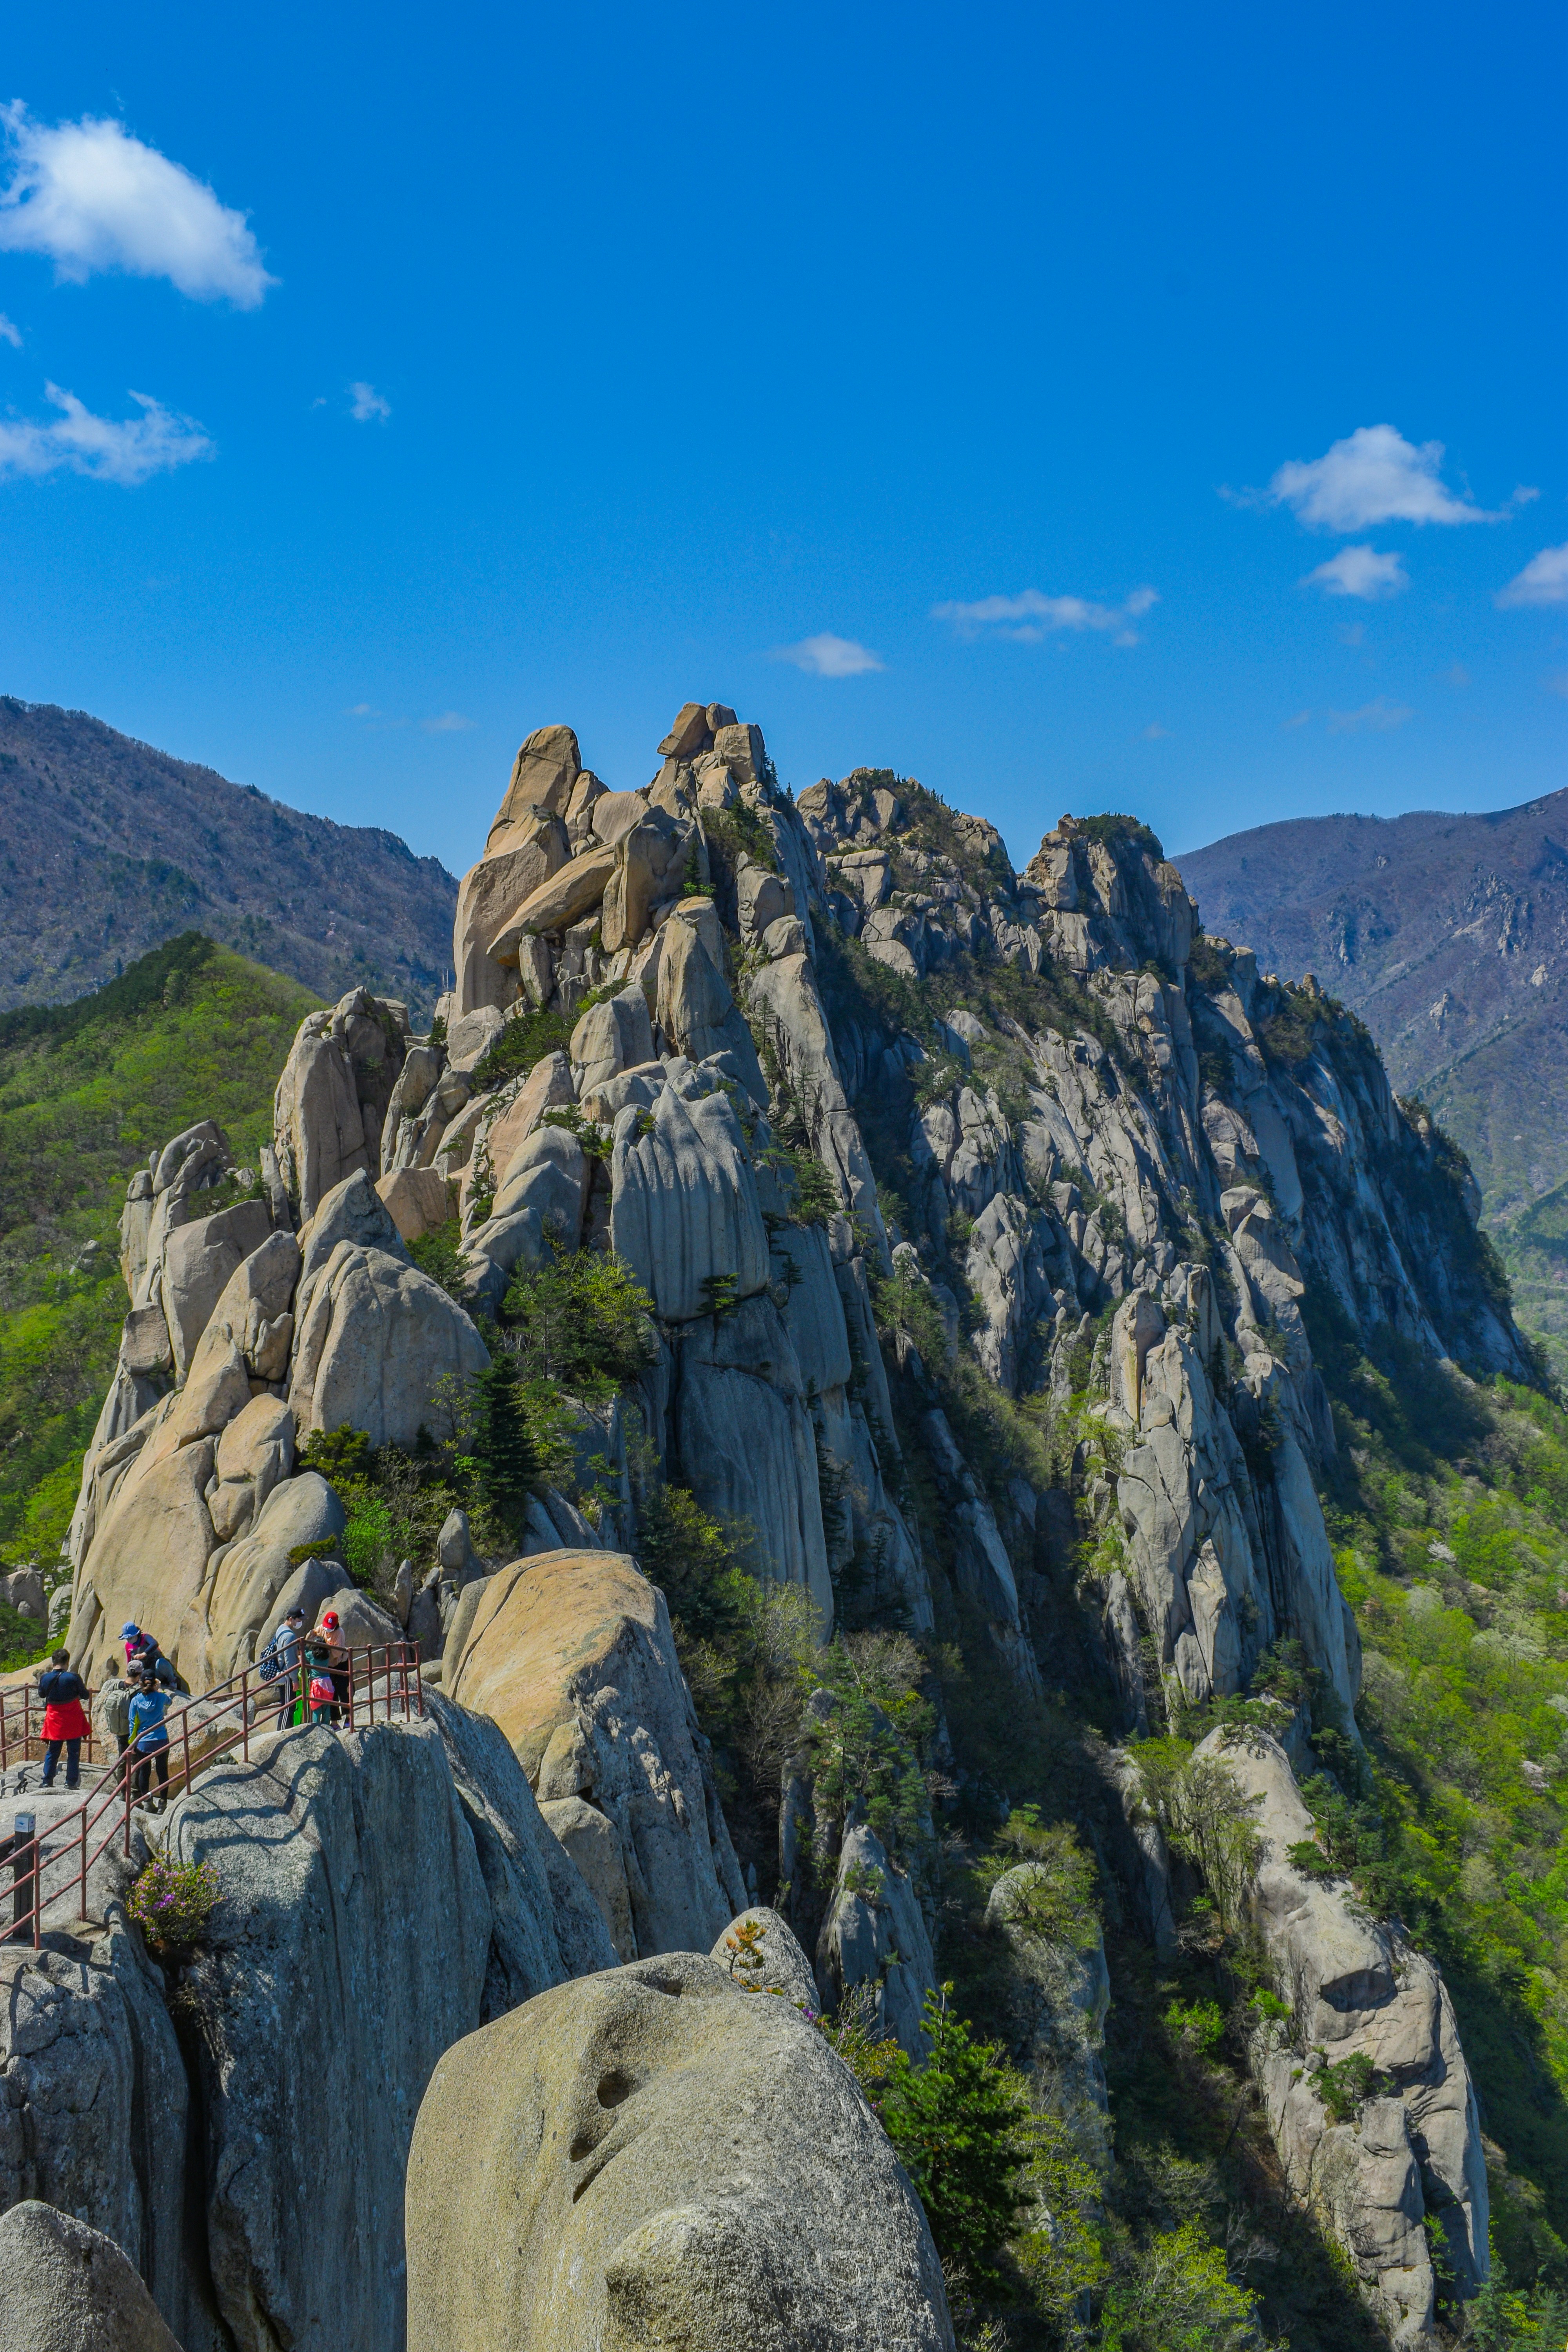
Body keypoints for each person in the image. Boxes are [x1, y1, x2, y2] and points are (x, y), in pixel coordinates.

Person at [36, 1649, 89, 1791]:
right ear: (67, 1662)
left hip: (55, 1719)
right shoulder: (74, 1677)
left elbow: (42, 1695)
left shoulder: (45, 1678)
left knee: (53, 1751)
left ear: (53, 1662)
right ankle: (70, 1783)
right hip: (73, 1718)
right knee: (74, 1752)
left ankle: (47, 1781)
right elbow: (86, 1695)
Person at [127, 1664, 172, 1811]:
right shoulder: (161, 1697)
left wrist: (132, 1743)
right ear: (155, 1682)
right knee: (162, 1771)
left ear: (140, 1683)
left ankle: (147, 1802)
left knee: (144, 1773)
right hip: (161, 1739)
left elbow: (132, 1723)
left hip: (143, 1741)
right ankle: (163, 1803)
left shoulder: (136, 1701)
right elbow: (170, 1702)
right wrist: (158, 1689)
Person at [260, 1606, 307, 1728]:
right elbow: (290, 1659)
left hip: (283, 1673)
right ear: (291, 1619)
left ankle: (285, 1731)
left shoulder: (281, 1630)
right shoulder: (290, 1636)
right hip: (287, 1676)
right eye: (298, 1620)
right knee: (288, 1707)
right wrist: (295, 1680)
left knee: (288, 1706)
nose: (300, 1623)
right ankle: (282, 1732)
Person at [319, 1610, 351, 1725]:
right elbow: (313, 1638)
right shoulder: (322, 1628)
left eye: (330, 1627)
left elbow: (338, 1653)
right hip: (329, 1664)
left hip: (340, 1663)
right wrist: (311, 1634)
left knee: (343, 1689)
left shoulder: (340, 1633)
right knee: (331, 1692)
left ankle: (349, 1716)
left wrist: (325, 1646)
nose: (327, 1629)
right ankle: (334, 1721)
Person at [302, 1634, 339, 1730]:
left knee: (316, 1708)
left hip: (317, 1683)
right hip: (327, 1682)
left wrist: (306, 1646)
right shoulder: (327, 1654)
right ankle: (326, 1727)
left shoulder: (311, 1655)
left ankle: (316, 1728)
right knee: (327, 1707)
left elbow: (304, 1657)